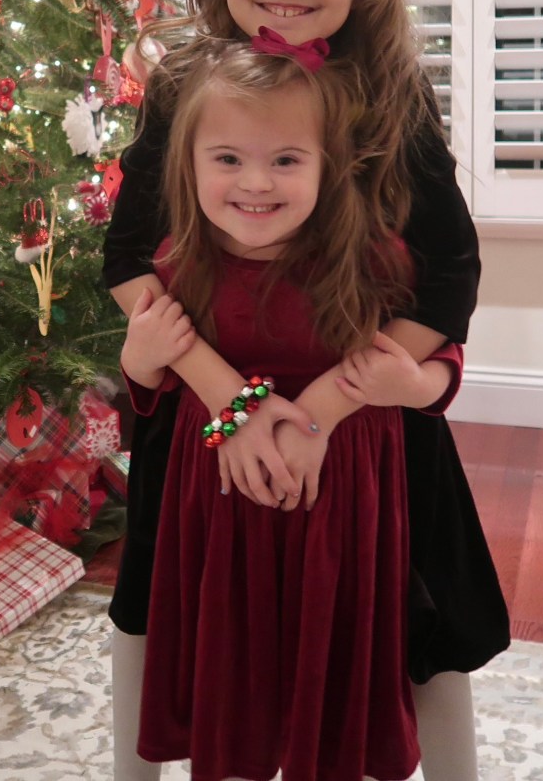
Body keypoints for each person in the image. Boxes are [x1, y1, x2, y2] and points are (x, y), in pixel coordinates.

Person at [104, 0, 510, 781]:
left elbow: (448, 274)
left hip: (367, 423)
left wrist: (322, 410)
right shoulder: (179, 84)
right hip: (206, 416)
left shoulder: (393, 94)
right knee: (159, 602)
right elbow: (126, 256)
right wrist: (232, 403)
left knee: (423, 621)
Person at [121, 42, 466, 781]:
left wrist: (403, 387)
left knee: (331, 661)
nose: (255, 183)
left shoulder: (375, 263)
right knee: (234, 665)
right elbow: (154, 387)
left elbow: (433, 371)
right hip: (219, 507)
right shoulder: (177, 265)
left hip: (342, 507)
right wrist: (141, 357)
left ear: (328, 166)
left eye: (285, 160)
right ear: (187, 165)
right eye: (227, 159)